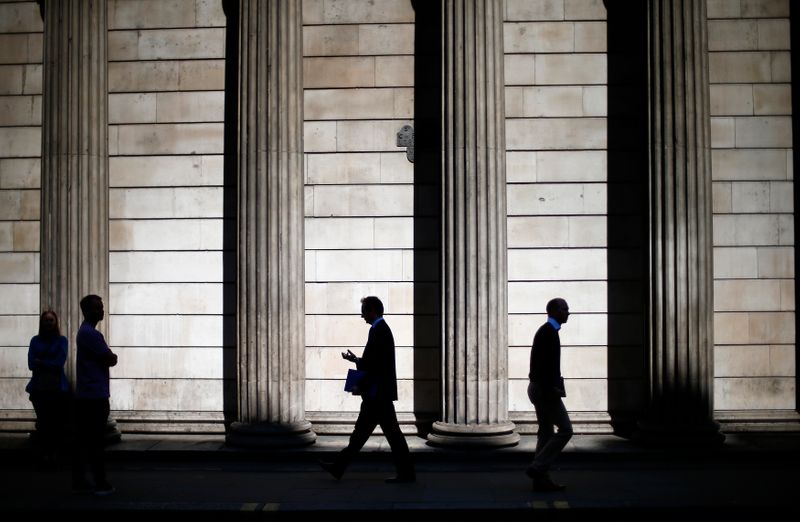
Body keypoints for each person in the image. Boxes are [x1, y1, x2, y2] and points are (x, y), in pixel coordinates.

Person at [319, 296, 416, 483]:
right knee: (370, 434)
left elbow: (376, 364)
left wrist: (358, 365)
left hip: (377, 395)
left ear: (373, 310)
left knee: (375, 434)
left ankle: (339, 467)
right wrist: (356, 360)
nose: (362, 315)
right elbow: (375, 361)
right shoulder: (379, 329)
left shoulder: (380, 330)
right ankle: (339, 467)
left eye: (364, 311)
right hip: (379, 394)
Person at [71, 294, 118, 495]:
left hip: (89, 394)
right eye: (98, 308)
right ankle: (99, 482)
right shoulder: (91, 335)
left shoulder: (85, 333)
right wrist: (112, 355)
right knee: (96, 442)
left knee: (88, 441)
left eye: (102, 307)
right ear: (88, 311)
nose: (102, 310)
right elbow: (110, 359)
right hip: (94, 396)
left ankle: (82, 480)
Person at [526, 297, 573, 492]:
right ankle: (537, 467)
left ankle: (541, 480)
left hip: (539, 388)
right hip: (544, 390)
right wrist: (552, 389)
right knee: (565, 430)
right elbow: (544, 367)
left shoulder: (548, 332)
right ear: (553, 311)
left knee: (546, 432)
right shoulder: (548, 333)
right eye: (564, 309)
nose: (568, 312)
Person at [26, 310, 70, 463]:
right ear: (42, 323)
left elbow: (59, 364)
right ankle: (46, 452)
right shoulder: (34, 340)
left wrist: (42, 362)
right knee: (44, 422)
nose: (49, 323)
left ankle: (54, 452)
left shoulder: (62, 340)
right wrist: (47, 362)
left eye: (51, 320)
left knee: (55, 423)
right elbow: (31, 364)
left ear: (55, 322)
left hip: (56, 388)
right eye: (46, 320)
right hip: (39, 388)